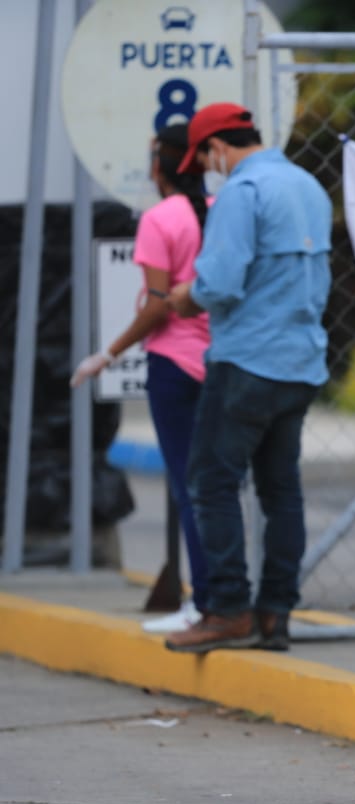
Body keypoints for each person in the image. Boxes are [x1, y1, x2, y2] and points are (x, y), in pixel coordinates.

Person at [161, 102, 333, 654]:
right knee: (281, 490)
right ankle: (274, 614)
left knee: (211, 481)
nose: (210, 169)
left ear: (216, 148)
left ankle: (229, 608)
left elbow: (221, 284)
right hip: (301, 361)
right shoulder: (307, 185)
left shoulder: (241, 190)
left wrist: (184, 295)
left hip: (246, 361)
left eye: (207, 159)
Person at [70, 123, 211, 634]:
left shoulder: (161, 219)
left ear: (160, 166)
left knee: (189, 484)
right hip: (220, 363)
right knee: (218, 484)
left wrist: (106, 354)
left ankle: (206, 602)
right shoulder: (221, 212)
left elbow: (157, 306)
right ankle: (227, 595)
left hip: (174, 366)